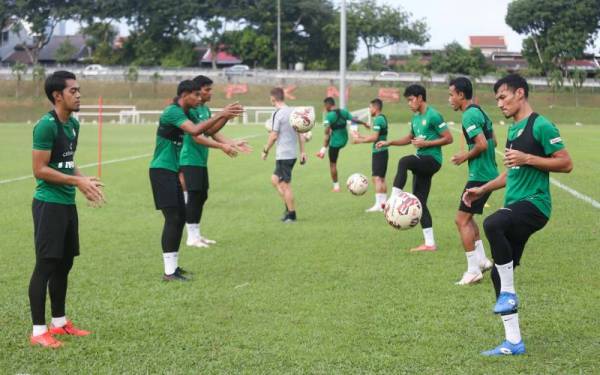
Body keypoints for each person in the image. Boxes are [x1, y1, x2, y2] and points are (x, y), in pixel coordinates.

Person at [463, 74, 573, 356]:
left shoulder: (541, 125)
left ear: (520, 93)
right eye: (497, 98)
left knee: (492, 222)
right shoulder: (513, 130)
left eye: (503, 97)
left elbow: (566, 163)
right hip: (515, 204)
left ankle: (509, 293)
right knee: (499, 277)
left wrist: (529, 159)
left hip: (535, 204)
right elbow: (511, 172)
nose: (499, 103)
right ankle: (514, 342)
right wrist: (482, 189)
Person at [29, 71, 105, 348]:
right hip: (49, 204)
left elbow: (66, 162)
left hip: (66, 203)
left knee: (65, 263)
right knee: (46, 265)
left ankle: (59, 324)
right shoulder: (45, 126)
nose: (78, 94)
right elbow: (40, 170)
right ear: (57, 95)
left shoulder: (73, 124)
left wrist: (83, 182)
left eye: (79, 90)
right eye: (73, 91)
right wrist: (77, 181)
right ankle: (39, 331)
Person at [149, 79, 242, 281]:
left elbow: (208, 130)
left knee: (180, 217)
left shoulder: (186, 112)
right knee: (173, 218)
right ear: (185, 95)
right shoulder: (172, 111)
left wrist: (225, 118)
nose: (200, 98)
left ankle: (173, 269)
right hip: (161, 170)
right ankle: (169, 272)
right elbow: (194, 131)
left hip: (171, 170)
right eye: (196, 95)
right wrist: (222, 114)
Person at [376, 84, 453, 252]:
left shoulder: (433, 115)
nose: (409, 103)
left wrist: (426, 143)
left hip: (432, 160)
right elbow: (409, 138)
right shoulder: (416, 118)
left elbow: (448, 138)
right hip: (421, 161)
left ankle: (393, 200)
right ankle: (430, 243)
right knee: (420, 203)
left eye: (411, 100)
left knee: (404, 161)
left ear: (419, 98)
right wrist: (390, 142)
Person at [180, 75, 250, 248]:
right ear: (197, 91)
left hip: (201, 159)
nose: (210, 93)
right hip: (189, 158)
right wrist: (221, 146)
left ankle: (197, 234)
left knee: (201, 196)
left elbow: (211, 131)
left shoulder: (205, 110)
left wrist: (231, 141)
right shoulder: (191, 110)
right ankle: (191, 236)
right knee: (195, 196)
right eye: (207, 89)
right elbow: (196, 135)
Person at [448, 77, 497, 285]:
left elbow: (483, 144)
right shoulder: (480, 111)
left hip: (480, 176)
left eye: (451, 94)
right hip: (488, 172)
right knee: (468, 218)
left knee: (461, 220)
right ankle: (483, 261)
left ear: (460, 95)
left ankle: (473, 270)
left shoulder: (469, 115)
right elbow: (493, 139)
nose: (449, 99)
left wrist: (464, 156)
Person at [261, 87, 307, 222]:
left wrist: (265, 150)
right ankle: (288, 207)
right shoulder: (293, 112)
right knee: (275, 180)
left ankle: (291, 214)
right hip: (290, 154)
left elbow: (273, 135)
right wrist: (303, 151)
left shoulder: (278, 113)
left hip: (284, 155)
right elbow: (301, 132)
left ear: (273, 99)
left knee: (285, 185)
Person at [316, 97, 369, 192]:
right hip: (344, 140)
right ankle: (322, 151)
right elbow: (354, 120)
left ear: (328, 105)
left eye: (325, 106)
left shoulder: (329, 116)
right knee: (330, 135)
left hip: (335, 143)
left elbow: (326, 131)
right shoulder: (344, 112)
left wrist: (328, 128)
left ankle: (336, 187)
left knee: (332, 164)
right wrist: (364, 123)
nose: (324, 108)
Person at [352, 98, 389, 212]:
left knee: (377, 178)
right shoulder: (382, 118)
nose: (369, 110)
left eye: (370, 107)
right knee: (381, 179)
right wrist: (361, 136)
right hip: (383, 151)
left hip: (379, 151)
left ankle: (379, 205)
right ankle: (383, 204)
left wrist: (359, 141)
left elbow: (375, 138)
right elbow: (377, 136)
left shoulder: (378, 120)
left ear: (375, 108)